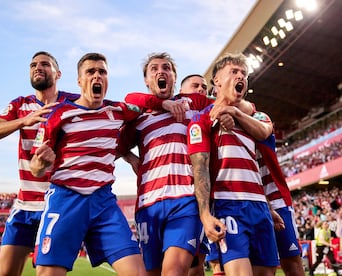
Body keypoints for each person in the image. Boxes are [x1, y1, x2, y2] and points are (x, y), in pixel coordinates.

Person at [119, 53, 236, 276]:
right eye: (154, 69)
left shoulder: (193, 104)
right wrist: (132, 159)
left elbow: (225, 102)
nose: (161, 72)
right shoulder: (139, 117)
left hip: (185, 202)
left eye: (166, 68)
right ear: (146, 79)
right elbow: (116, 145)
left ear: (174, 77)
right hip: (148, 205)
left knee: (175, 271)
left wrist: (229, 113)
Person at [29, 52, 145, 276]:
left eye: (102, 72)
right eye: (90, 72)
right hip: (66, 199)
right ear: (79, 81)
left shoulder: (118, 111)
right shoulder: (58, 113)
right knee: (48, 273)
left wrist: (129, 155)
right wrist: (42, 162)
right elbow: (36, 168)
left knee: (138, 272)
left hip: (103, 202)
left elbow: (144, 105)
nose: (97, 76)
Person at [0, 51, 78, 276]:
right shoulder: (20, 105)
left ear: (58, 73)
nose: (38, 67)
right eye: (33, 64)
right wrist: (24, 121)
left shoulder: (73, 102)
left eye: (45, 64)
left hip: (58, 204)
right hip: (25, 204)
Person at [187, 52, 279, 276]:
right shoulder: (202, 120)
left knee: (267, 272)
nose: (241, 77)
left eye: (244, 74)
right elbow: (199, 169)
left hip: (259, 206)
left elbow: (253, 168)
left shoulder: (250, 120)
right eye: (234, 72)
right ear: (217, 80)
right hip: (230, 205)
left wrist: (268, 206)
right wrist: (205, 215)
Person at [257, 134, 305, 276]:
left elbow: (263, 130)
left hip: (276, 199)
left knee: (292, 263)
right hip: (250, 200)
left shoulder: (258, 117)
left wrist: (236, 113)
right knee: (262, 267)